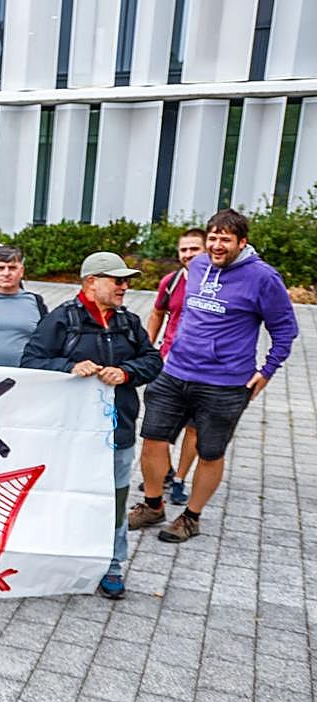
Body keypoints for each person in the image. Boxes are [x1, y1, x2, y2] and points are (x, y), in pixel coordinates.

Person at [129, 209, 298, 543]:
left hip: (225, 383)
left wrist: (266, 372)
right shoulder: (199, 266)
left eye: (226, 239)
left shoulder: (264, 278)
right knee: (152, 439)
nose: (218, 245)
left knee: (210, 451)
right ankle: (153, 505)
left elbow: (285, 329)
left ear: (242, 242)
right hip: (174, 372)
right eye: (213, 238)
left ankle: (191, 517)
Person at [21, 252, 162, 599]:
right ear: (91, 282)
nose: (125, 287)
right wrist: (68, 367)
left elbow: (152, 360)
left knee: (114, 500)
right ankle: (62, 561)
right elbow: (31, 362)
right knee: (67, 496)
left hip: (119, 430)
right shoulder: (61, 320)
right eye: (117, 280)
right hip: (71, 434)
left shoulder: (128, 322)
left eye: (126, 281)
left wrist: (127, 372)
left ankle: (113, 566)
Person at [142, 228, 206, 505]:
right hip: (168, 364)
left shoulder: (218, 283)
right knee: (159, 428)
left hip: (204, 369)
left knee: (194, 429)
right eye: (184, 250)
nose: (188, 254)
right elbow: (158, 313)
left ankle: (179, 479)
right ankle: (163, 472)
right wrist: (147, 348)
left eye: (194, 248)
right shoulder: (171, 281)